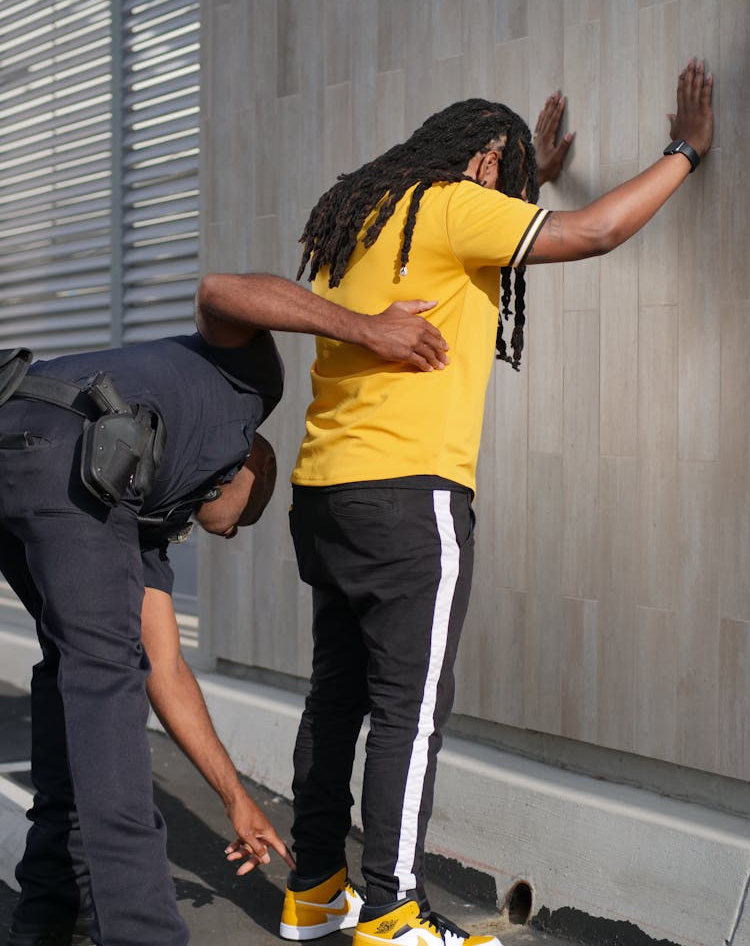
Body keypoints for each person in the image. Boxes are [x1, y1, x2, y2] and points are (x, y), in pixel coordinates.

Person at [278, 59, 714, 946]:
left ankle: (314, 891)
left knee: (337, 696)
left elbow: (488, 230)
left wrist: (534, 175)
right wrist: (685, 152)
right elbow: (592, 234)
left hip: (326, 493)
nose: (514, 199)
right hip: (411, 501)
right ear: (483, 164)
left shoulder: (362, 216)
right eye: (510, 179)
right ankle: (394, 910)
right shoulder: (451, 204)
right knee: (411, 709)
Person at [0, 271, 449, 946]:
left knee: (75, 673)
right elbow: (220, 290)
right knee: (103, 692)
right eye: (238, 520)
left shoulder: (149, 507)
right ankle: (140, 933)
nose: (225, 532)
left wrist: (236, 797)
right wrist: (367, 328)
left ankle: (47, 912)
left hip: (20, 438)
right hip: (73, 451)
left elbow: (167, 669)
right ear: (252, 469)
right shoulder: (247, 389)